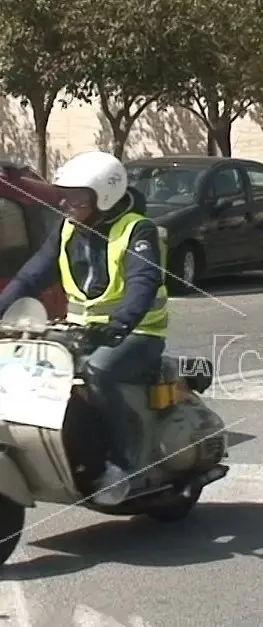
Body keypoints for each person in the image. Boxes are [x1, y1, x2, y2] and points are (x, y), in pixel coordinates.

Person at [0, 150, 168, 505]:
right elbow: (31, 276)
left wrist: (120, 324)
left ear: (103, 195)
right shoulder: (67, 227)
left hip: (137, 334)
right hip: (78, 330)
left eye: (77, 195)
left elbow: (144, 281)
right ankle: (70, 458)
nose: (67, 201)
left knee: (98, 371)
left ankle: (121, 466)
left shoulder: (137, 229)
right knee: (27, 368)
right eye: (66, 194)